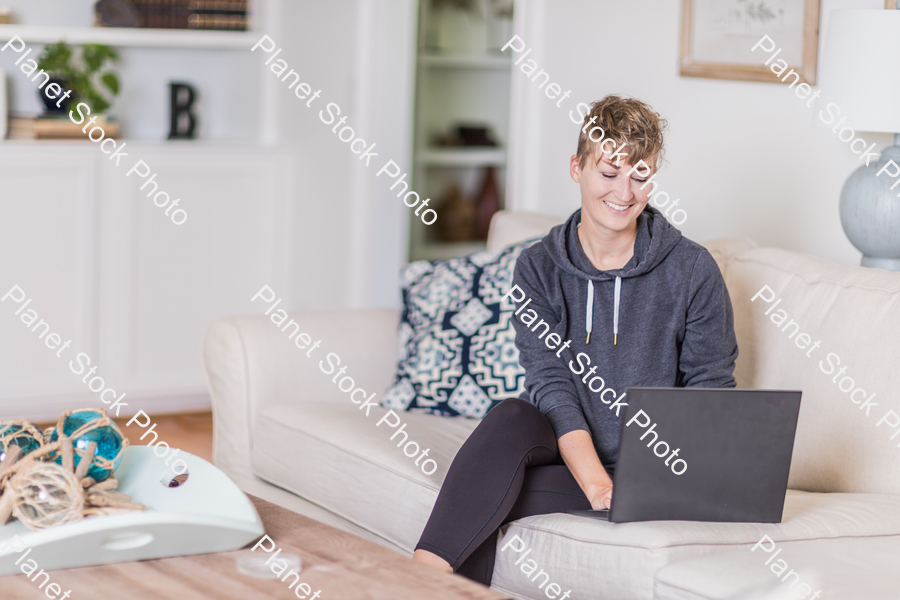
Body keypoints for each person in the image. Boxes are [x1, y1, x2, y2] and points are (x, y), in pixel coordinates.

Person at [411, 95, 739, 585]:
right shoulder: (538, 266)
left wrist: (664, 475)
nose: (624, 192)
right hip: (565, 450)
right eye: (609, 173)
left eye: (640, 174)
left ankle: (415, 585)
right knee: (512, 415)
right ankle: (417, 582)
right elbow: (550, 382)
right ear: (577, 168)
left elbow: (711, 388)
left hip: (645, 465)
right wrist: (593, 479)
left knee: (486, 494)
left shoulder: (693, 270)